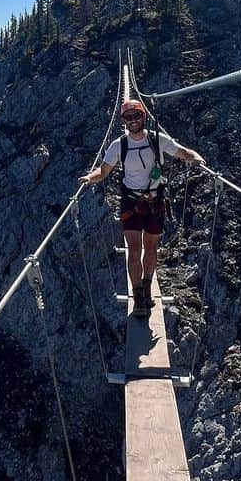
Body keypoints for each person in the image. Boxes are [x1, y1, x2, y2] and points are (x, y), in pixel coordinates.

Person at [80, 99, 205, 317]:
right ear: (124, 121)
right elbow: (104, 171)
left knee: (151, 247)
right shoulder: (119, 145)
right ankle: (138, 296)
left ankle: (147, 286)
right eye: (129, 117)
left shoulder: (158, 140)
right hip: (131, 201)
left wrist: (195, 158)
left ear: (143, 117)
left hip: (155, 201)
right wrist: (89, 178)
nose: (134, 120)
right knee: (135, 249)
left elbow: (182, 151)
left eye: (137, 116)